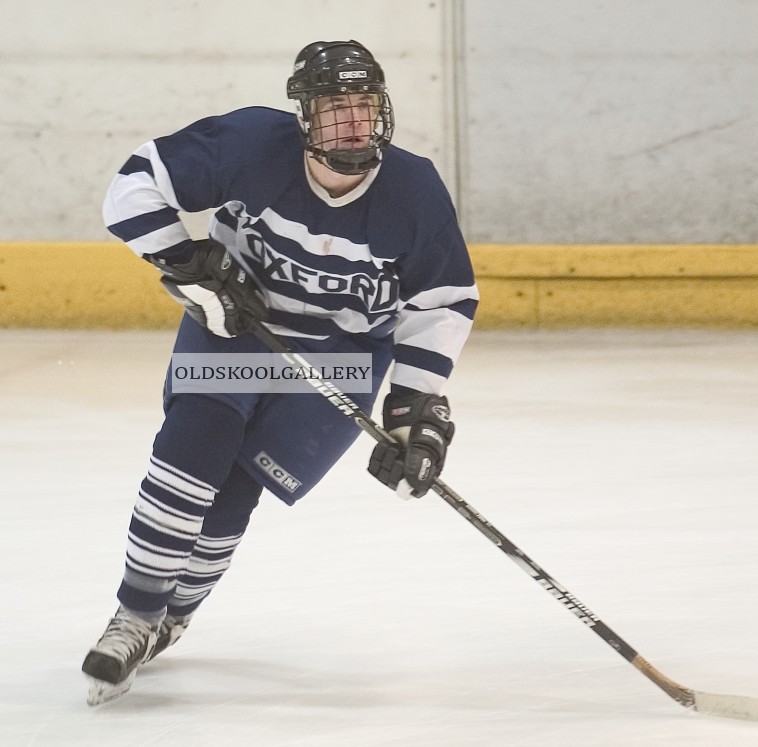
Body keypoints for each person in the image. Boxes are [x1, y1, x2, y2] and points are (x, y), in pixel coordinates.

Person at [82, 40, 479, 705]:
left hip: (343, 358)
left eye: (364, 105)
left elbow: (441, 302)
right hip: (239, 330)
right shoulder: (250, 144)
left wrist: (415, 411)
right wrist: (187, 261)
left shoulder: (414, 191)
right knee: (193, 446)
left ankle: (172, 618)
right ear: (303, 117)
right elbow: (131, 186)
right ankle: (135, 613)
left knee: (237, 489)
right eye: (334, 109)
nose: (352, 122)